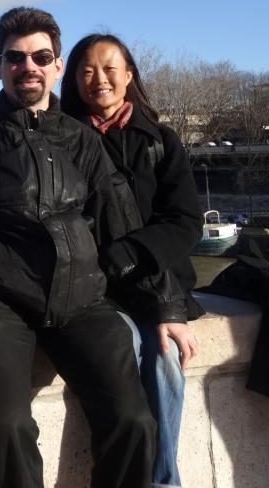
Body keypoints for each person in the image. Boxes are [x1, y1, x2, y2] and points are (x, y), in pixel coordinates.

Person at [0, 7, 155, 488]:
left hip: (81, 300)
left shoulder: (82, 139)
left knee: (135, 421)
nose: (29, 67)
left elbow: (121, 229)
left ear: (57, 66)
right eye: (16, 57)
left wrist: (164, 306)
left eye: (40, 56)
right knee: (8, 427)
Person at [61, 33, 204, 488]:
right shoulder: (59, 141)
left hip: (153, 279)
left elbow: (183, 221)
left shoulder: (160, 140)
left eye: (108, 68)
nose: (98, 78)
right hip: (96, 289)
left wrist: (166, 304)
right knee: (126, 352)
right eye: (86, 70)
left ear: (128, 76)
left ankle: (163, 482)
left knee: (164, 360)